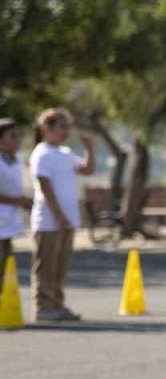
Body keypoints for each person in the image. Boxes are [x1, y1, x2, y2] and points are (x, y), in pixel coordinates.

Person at [30, 109, 94, 322]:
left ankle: (57, 303)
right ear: (46, 129)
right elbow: (45, 186)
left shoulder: (65, 153)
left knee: (61, 265)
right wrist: (58, 215)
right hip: (48, 221)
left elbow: (86, 169)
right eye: (61, 127)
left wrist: (89, 149)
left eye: (68, 127)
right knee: (46, 265)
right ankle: (44, 306)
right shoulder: (42, 153)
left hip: (67, 220)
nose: (66, 131)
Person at [0, 119, 33, 270]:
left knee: (5, 269)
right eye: (13, 136)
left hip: (9, 223)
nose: (18, 139)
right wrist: (18, 201)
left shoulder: (18, 160)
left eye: (19, 135)